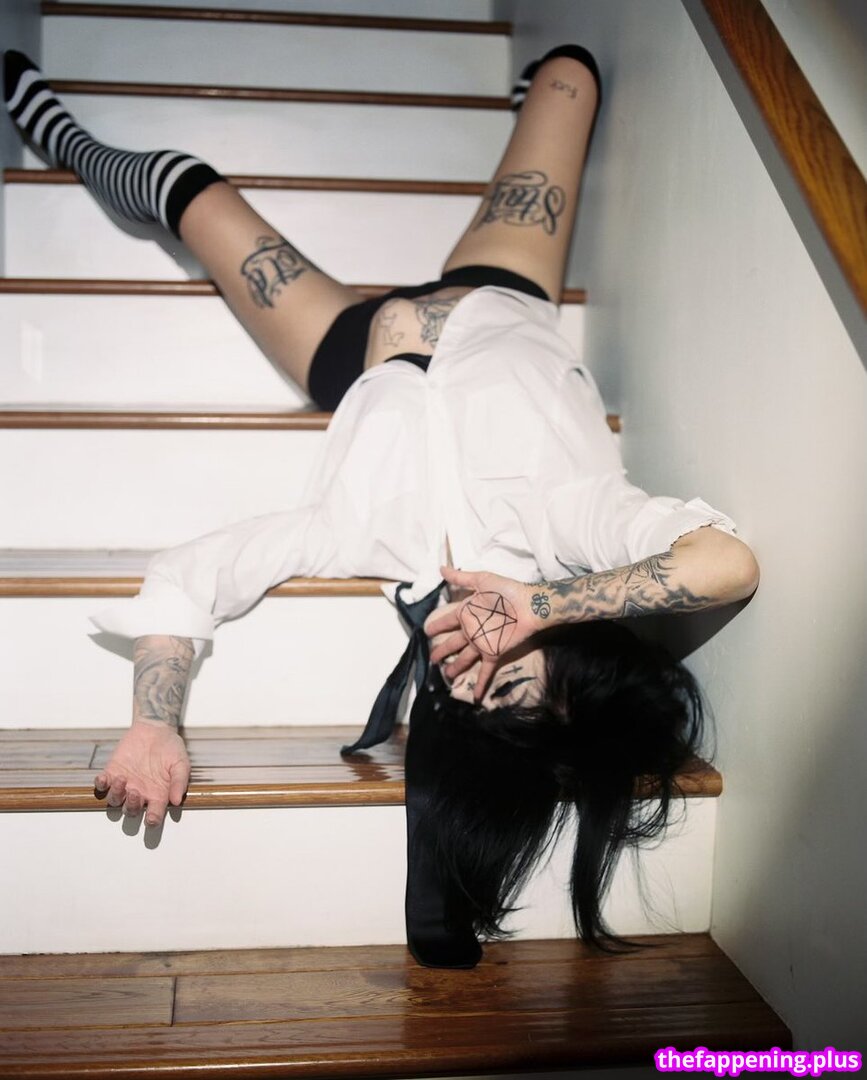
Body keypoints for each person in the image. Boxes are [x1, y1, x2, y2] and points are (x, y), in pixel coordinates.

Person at [4, 46, 759, 966]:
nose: (468, 680)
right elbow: (726, 563)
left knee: (186, 186)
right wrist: (543, 603)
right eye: (510, 682)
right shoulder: (576, 519)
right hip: (499, 289)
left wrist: (154, 721)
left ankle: (56, 133)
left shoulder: (360, 540)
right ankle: (528, 91)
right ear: (567, 647)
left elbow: (190, 576)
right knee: (571, 70)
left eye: (469, 702)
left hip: (349, 348)